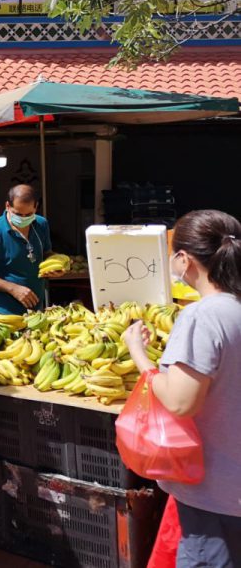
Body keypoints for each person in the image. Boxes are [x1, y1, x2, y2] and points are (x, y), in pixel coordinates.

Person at [123, 209, 241, 566]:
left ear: (184, 259)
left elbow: (180, 401)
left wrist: (139, 355)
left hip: (217, 492)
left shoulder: (203, 315)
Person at [0, 185, 55, 315]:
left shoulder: (41, 225)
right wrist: (12, 288)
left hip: (37, 309)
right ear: (7, 206)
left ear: (36, 207)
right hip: (4, 312)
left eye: (28, 214)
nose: (23, 218)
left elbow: (47, 253)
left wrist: (55, 265)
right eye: (18, 214)